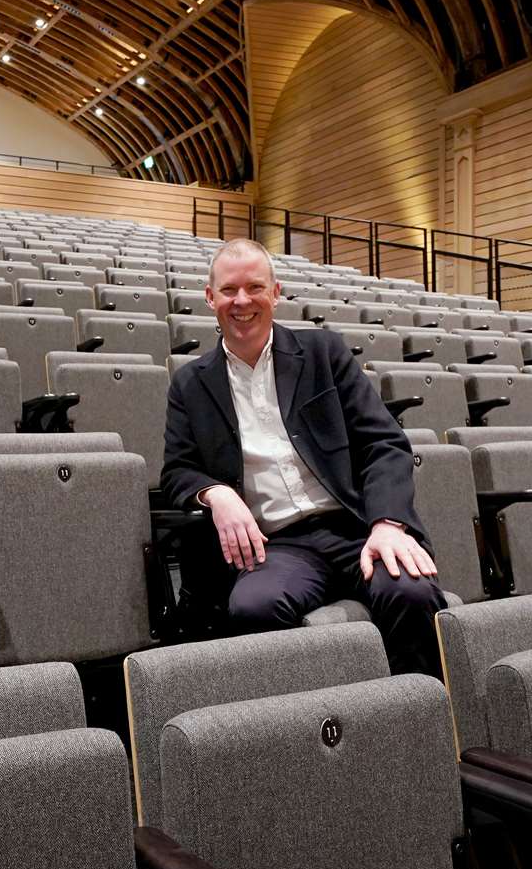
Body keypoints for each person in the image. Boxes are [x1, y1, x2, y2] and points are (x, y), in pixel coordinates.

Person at [161, 238, 445, 676]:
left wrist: (389, 523)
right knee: (253, 608)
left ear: (275, 293)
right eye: (229, 290)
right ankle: (311, 732)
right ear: (210, 297)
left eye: (255, 288)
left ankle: (418, 719)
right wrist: (215, 493)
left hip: (355, 529)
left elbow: (384, 443)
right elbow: (178, 470)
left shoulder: (324, 353)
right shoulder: (190, 384)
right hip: (279, 546)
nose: (242, 301)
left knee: (412, 592)